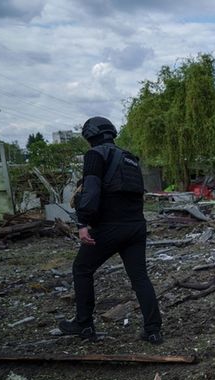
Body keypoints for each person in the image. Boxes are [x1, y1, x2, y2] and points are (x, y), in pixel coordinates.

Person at [58, 116, 163, 344]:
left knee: (82, 268)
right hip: (136, 226)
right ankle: (153, 330)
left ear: (90, 135)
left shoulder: (96, 155)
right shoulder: (130, 158)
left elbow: (92, 190)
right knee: (140, 277)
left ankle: (84, 325)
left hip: (109, 227)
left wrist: (82, 223)